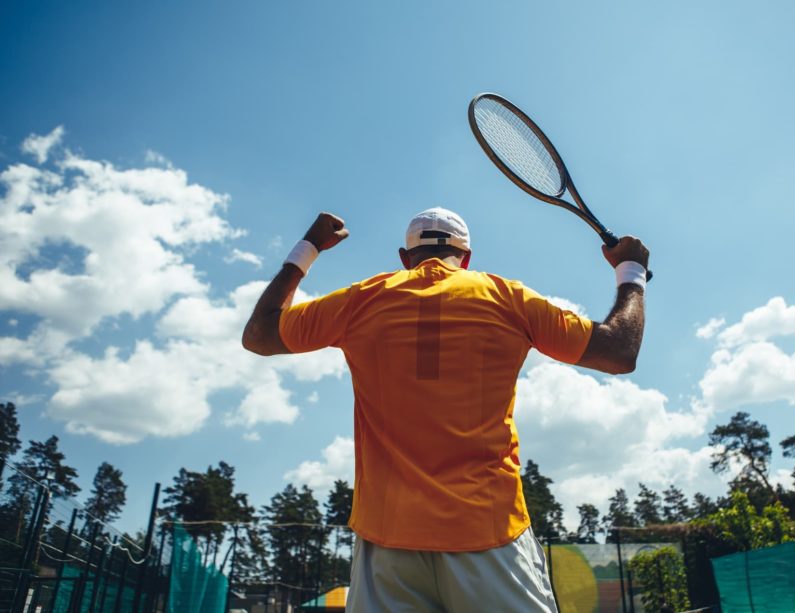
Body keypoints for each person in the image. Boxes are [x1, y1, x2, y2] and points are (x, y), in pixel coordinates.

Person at [242, 207, 649, 612]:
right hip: (490, 535)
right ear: (467, 258)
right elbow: (617, 351)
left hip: (386, 541)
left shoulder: (362, 299)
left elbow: (259, 334)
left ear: (404, 259)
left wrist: (309, 247)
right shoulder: (507, 297)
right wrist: (631, 272)